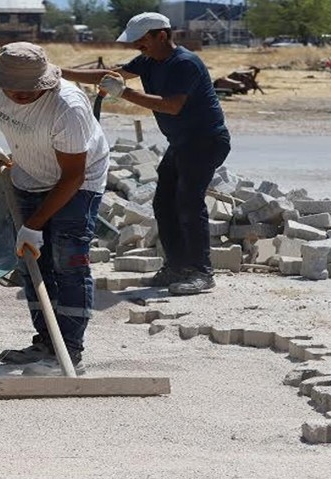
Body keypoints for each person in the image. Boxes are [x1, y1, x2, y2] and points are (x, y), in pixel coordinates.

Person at [62, 12, 231, 295]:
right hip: (182, 142)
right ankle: (177, 267)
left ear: (161, 35)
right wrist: (59, 73)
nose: (137, 47)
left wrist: (123, 92)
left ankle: (201, 272)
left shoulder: (185, 64)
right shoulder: (149, 60)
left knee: (189, 203)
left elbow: (171, 106)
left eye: (142, 41)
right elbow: (109, 77)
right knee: (164, 203)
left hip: (205, 141)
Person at [0, 42, 109, 375]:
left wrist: (33, 225)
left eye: (28, 89)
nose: (19, 95)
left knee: (68, 260)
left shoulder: (68, 106)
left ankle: (69, 351)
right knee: (34, 262)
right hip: (28, 173)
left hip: (78, 182)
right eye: (13, 88)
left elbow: (73, 176)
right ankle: (47, 344)